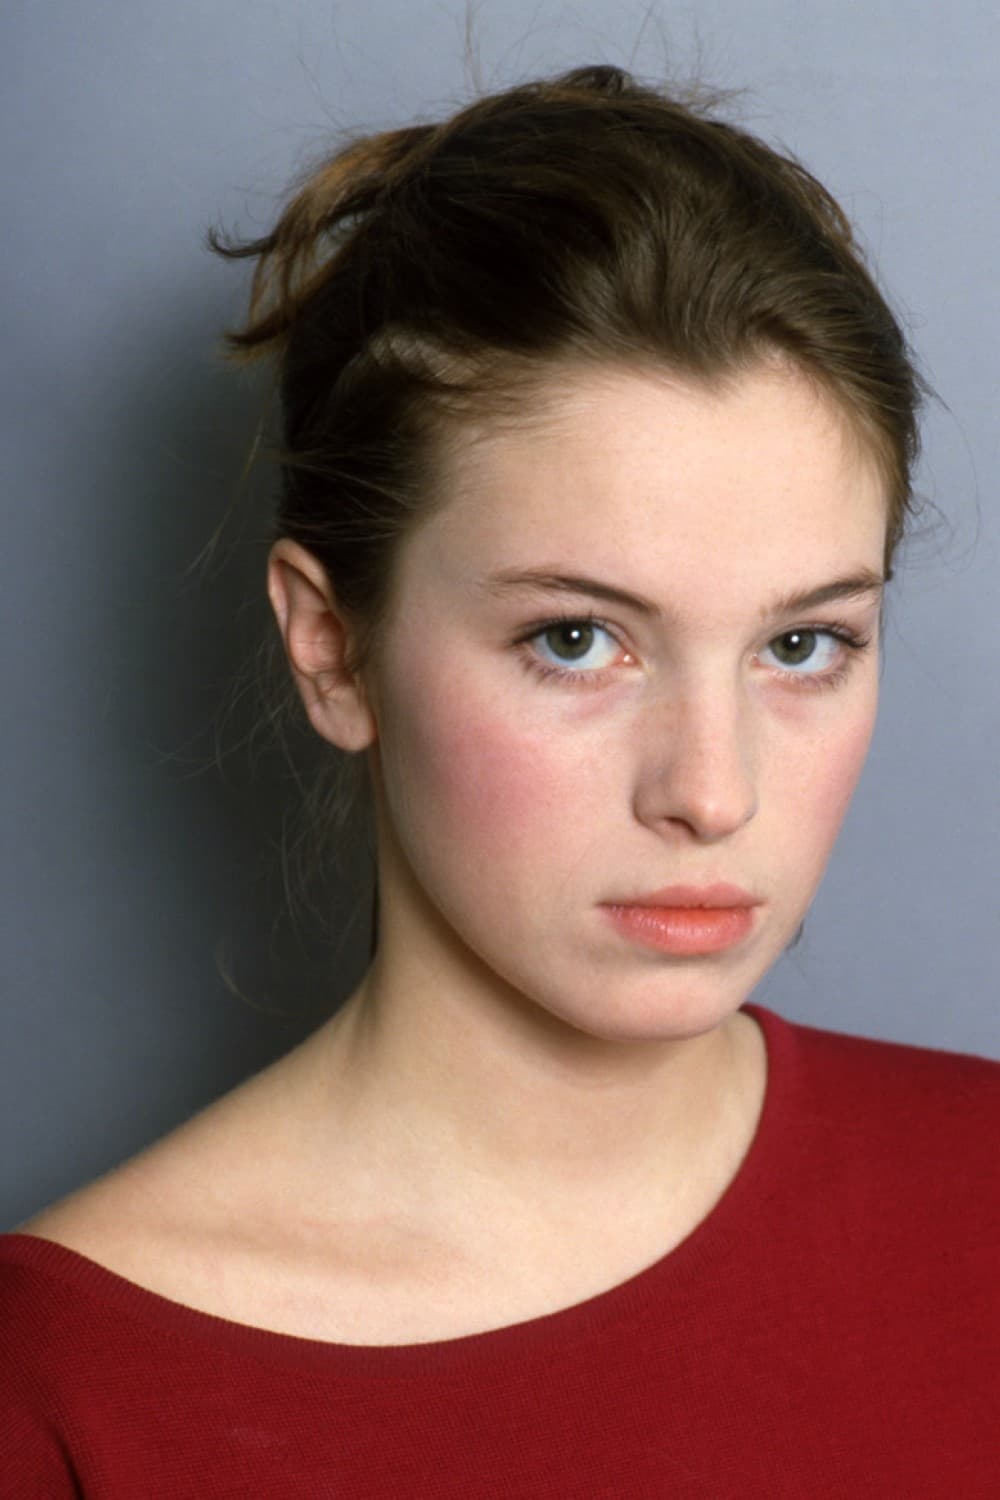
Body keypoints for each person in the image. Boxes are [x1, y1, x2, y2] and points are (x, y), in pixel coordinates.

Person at [2, 64, 997, 1497]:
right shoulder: (66, 1397)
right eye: (576, 639)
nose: (713, 793)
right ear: (333, 649)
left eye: (802, 644)